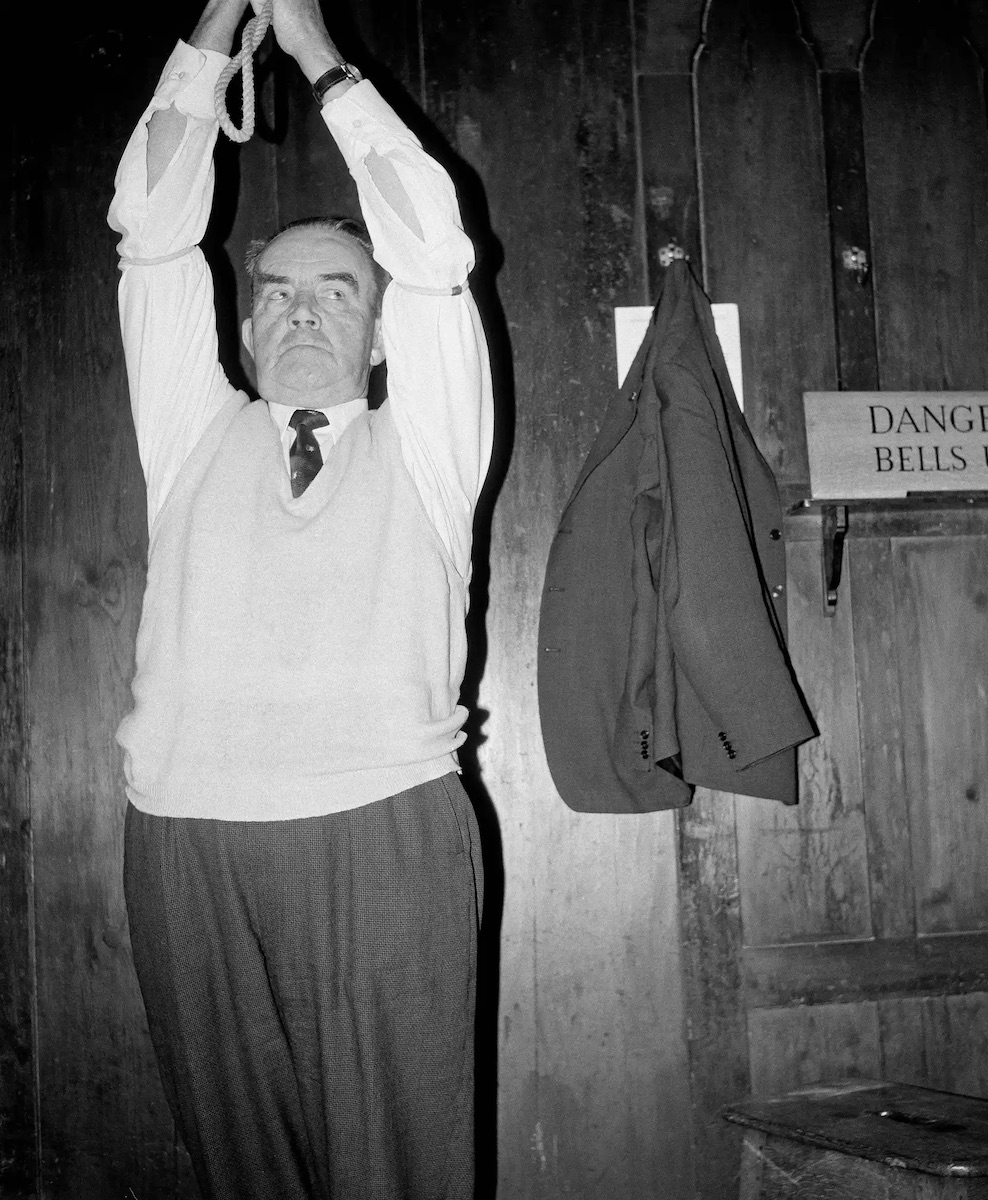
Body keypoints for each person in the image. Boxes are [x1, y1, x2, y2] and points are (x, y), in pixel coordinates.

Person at [107, 0, 492, 1194]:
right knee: (241, 1176)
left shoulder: (428, 440)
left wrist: (315, 53)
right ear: (243, 318)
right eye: (277, 290)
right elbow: (149, 229)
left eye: (337, 292)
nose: (302, 309)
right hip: (185, 840)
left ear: (383, 338)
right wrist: (220, 27)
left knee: (399, 1173)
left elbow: (432, 247)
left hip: (378, 829)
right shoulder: (192, 431)